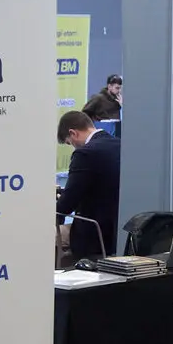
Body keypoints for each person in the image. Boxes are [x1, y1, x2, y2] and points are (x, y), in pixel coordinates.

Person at [57, 111, 122, 260]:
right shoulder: (120, 144)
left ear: (73, 133)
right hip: (117, 232)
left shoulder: (84, 154)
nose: (73, 147)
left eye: (69, 143)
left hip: (94, 236)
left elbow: (67, 204)